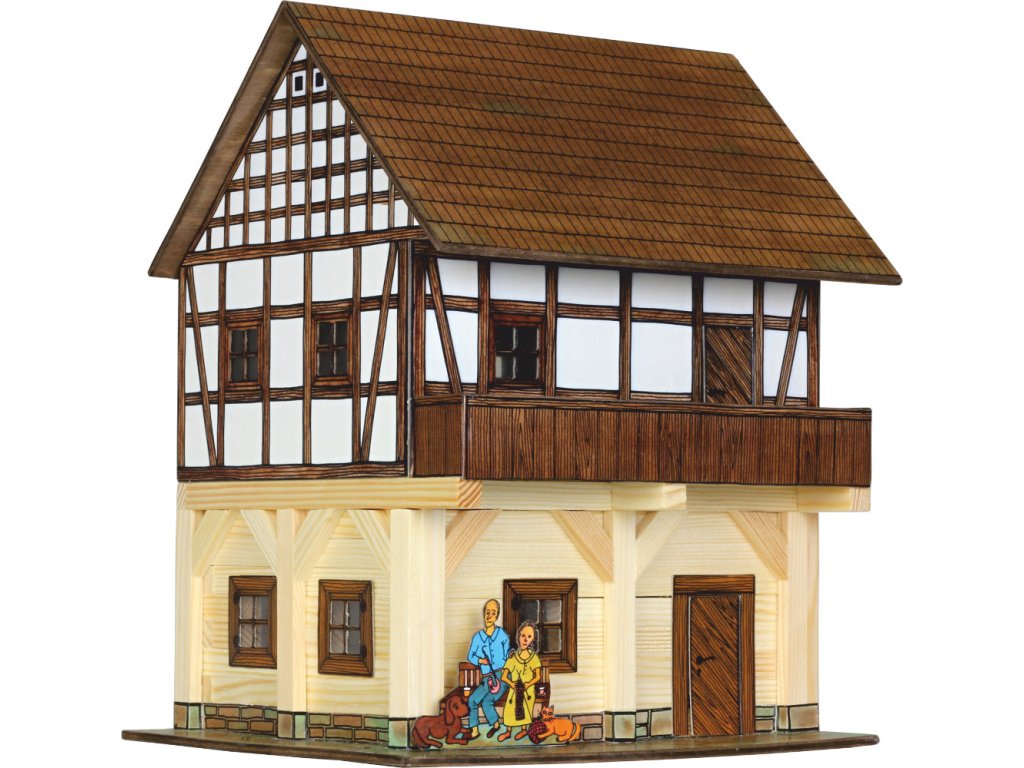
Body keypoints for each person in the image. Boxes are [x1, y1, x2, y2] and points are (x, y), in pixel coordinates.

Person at [465, 599, 510, 739]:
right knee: (472, 700)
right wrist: (481, 661)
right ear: (483, 614)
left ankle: (496, 725)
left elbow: (508, 658)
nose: (489, 616)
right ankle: (475, 730)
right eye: (487, 612)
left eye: (493, 613)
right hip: (486, 679)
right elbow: (470, 656)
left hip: (501, 677)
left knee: (487, 701)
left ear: (497, 616)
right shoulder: (478, 637)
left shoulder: (502, 635)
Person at [498, 620, 542, 741]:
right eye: (523, 635)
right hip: (515, 689)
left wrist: (528, 684)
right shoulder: (513, 658)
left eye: (529, 637)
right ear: (519, 636)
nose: (525, 639)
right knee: (509, 709)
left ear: (533, 640)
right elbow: (504, 676)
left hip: (528, 690)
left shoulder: (534, 658)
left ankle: (524, 730)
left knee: (526, 708)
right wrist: (512, 684)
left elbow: (537, 676)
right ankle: (508, 731)